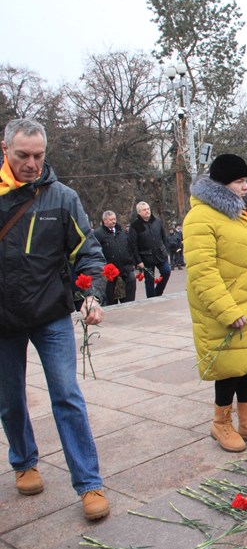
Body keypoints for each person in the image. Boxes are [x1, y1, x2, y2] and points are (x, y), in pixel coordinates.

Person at [0, 118, 110, 520]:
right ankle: (24, 460)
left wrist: (92, 295)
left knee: (66, 395)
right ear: (4, 149)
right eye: (22, 155)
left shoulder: (62, 198)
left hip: (50, 315)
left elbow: (89, 253)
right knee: (9, 399)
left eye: (38, 156)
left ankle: (89, 484)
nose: (31, 163)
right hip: (3, 319)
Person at [183, 154, 247, 452]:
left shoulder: (240, 215)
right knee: (228, 367)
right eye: (239, 182)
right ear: (221, 184)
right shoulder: (200, 218)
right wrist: (226, 309)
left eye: (245, 182)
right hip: (223, 307)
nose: (244, 188)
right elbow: (202, 272)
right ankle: (221, 424)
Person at [94, 210, 137, 305]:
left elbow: (129, 247)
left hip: (126, 268)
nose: (113, 221)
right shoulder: (98, 234)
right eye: (110, 220)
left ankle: (129, 306)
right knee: (110, 296)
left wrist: (132, 261)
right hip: (109, 271)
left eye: (114, 219)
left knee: (130, 287)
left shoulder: (121, 232)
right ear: (104, 221)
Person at [129, 201, 171, 297]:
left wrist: (166, 251)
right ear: (139, 212)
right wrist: (138, 261)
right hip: (146, 257)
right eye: (144, 210)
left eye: (148, 209)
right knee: (149, 280)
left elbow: (164, 237)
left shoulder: (157, 221)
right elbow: (133, 245)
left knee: (166, 271)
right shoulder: (135, 226)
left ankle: (158, 292)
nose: (147, 211)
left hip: (160, 253)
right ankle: (151, 298)